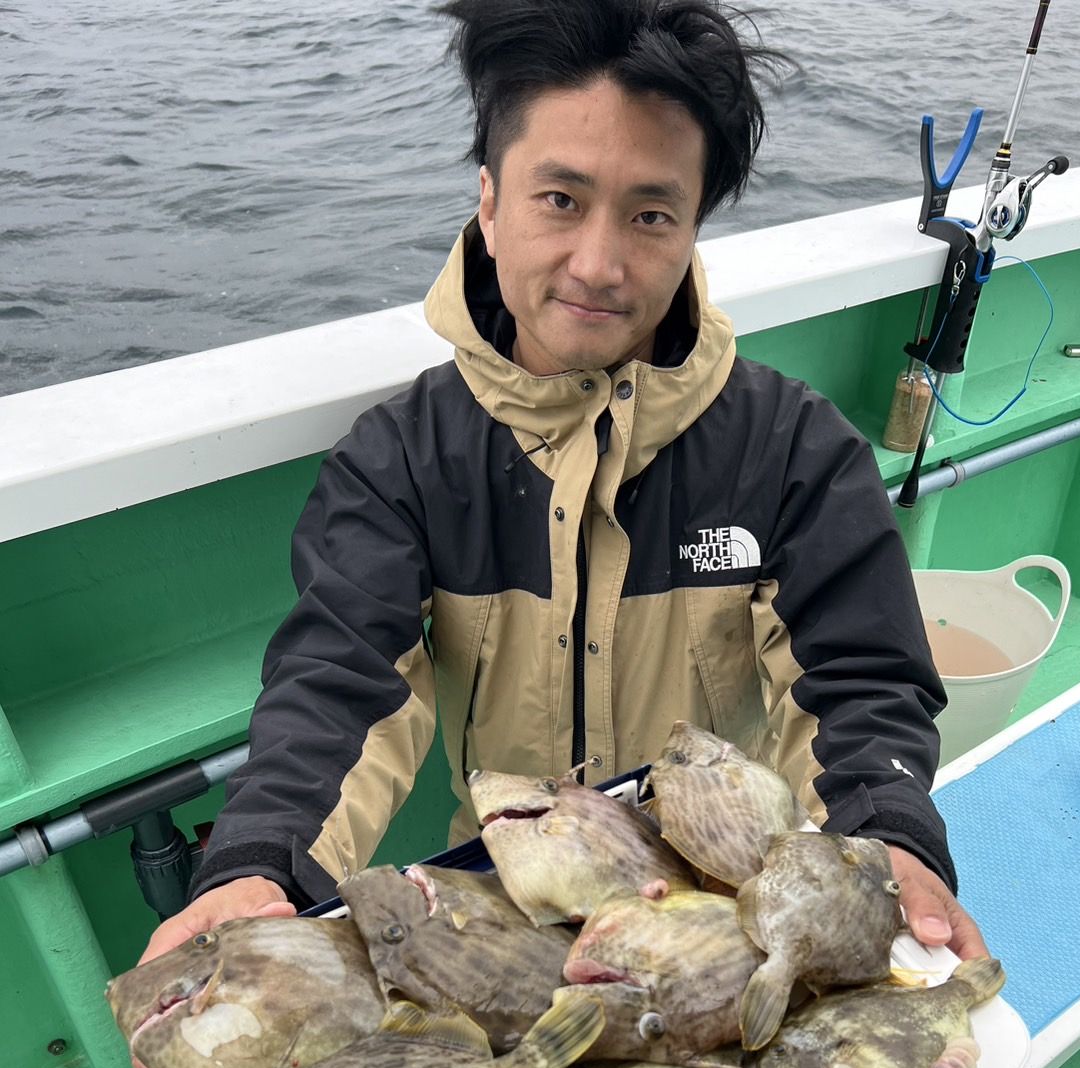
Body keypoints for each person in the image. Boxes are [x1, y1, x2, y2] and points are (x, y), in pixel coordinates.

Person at [140, 0, 986, 968]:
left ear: (693, 229)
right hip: (508, 905)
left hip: (728, 902)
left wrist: (886, 841)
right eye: (559, 199)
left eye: (651, 215)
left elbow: (858, 685)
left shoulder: (793, 448)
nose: (598, 263)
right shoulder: (400, 461)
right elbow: (338, 685)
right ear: (489, 201)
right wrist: (261, 864)